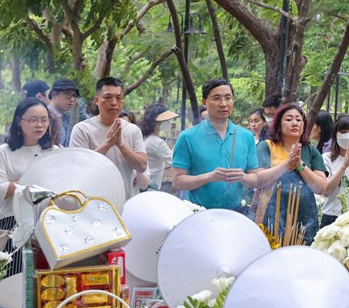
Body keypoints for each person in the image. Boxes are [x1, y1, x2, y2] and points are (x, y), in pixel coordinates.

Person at [172, 79, 263, 210]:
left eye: (228, 98)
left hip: (235, 212)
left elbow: (255, 177)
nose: (223, 104)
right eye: (216, 98)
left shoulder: (246, 136)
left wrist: (243, 177)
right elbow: (177, 182)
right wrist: (208, 177)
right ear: (204, 102)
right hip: (199, 213)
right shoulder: (187, 137)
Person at [0, 98, 58, 275]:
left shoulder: (55, 152)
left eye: (44, 120)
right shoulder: (4, 152)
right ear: (19, 121)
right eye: (33, 120)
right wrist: (31, 182)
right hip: (12, 223)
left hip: (47, 222)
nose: (39, 125)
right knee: (13, 277)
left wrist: (20, 183)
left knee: (44, 278)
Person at [256, 104, 327, 244]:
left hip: (305, 216)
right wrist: (286, 165)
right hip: (271, 214)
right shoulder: (266, 146)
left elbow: (321, 188)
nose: (294, 123)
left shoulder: (311, 152)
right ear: (278, 124)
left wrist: (300, 165)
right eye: (288, 119)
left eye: (299, 120)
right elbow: (260, 179)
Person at [70, 77, 147, 200]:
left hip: (125, 203)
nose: (114, 102)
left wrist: (121, 145)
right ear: (97, 100)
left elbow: (142, 166)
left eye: (118, 98)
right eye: (108, 97)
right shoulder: (82, 129)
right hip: (91, 203)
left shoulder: (132, 130)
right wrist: (107, 144)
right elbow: (79, 169)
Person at [140, 104, 178, 192]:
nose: (168, 122)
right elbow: (174, 160)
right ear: (156, 123)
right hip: (151, 188)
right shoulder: (157, 142)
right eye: (165, 120)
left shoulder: (148, 138)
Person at [47, 78, 79, 147]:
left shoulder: (64, 117)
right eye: (68, 95)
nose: (72, 100)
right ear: (53, 94)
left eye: (74, 96)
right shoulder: (45, 116)